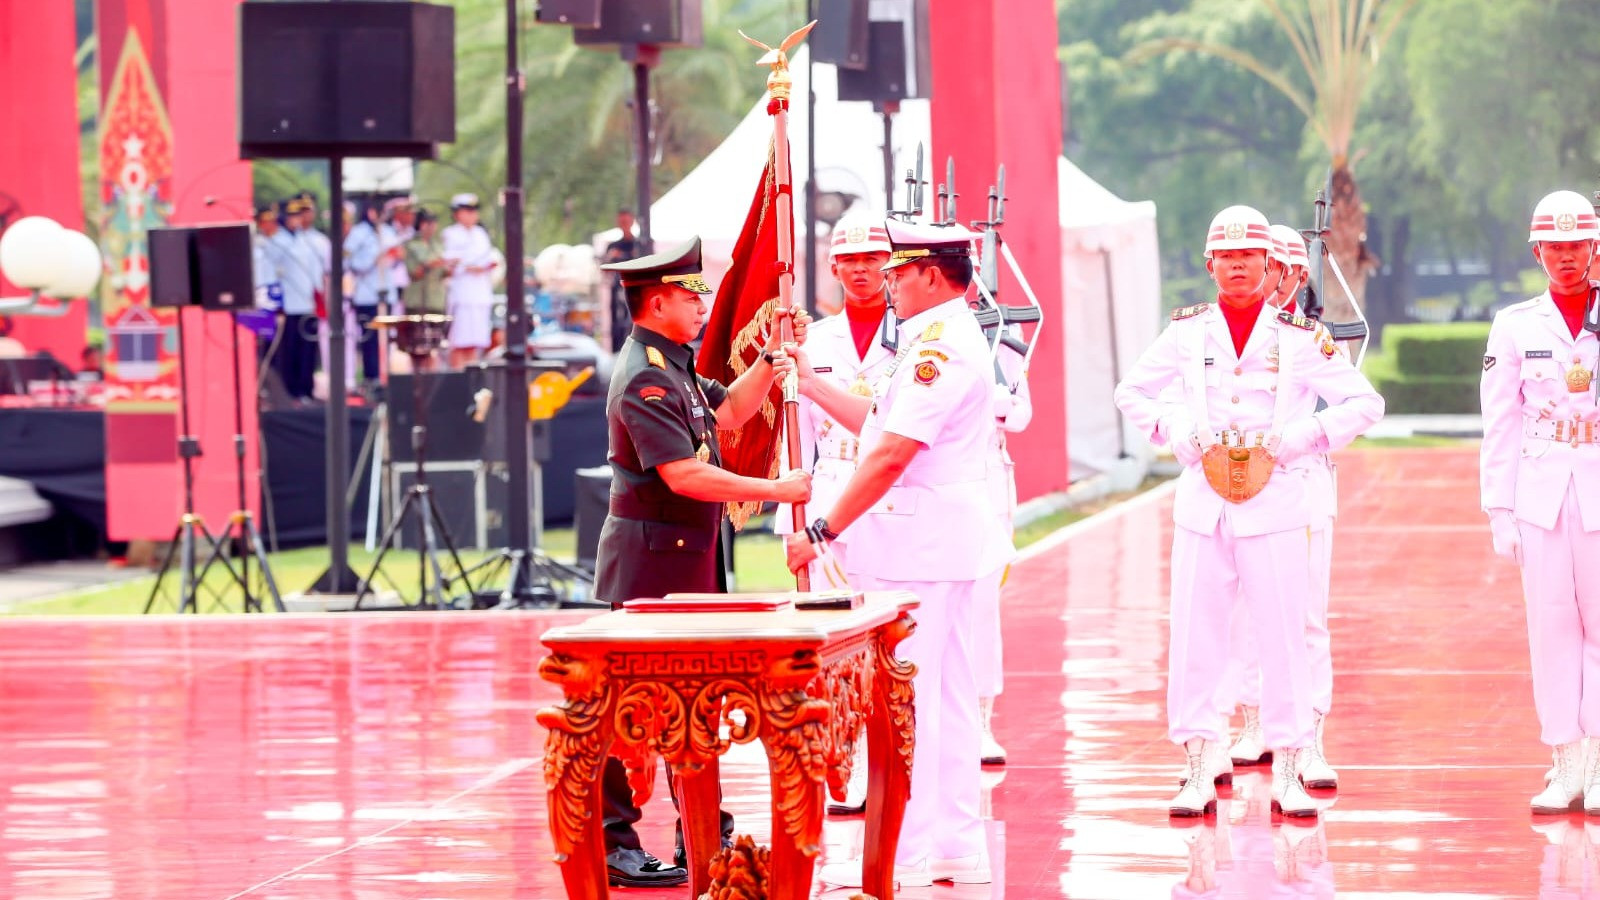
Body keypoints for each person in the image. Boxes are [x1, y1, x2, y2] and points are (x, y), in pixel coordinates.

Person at [1113, 204, 1382, 820]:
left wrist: (1296, 440)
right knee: (1194, 635)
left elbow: (1364, 404)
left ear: (1269, 266)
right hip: (1203, 504)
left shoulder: (1297, 337)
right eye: (1226, 257)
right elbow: (1134, 391)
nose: (1237, 267)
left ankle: (1288, 768)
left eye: (1248, 257)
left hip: (1277, 502)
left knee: (1284, 638)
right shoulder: (1186, 332)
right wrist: (1175, 429)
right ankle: (1197, 767)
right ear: (1210, 265)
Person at [786, 219, 1014, 887]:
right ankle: (949, 844)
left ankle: (903, 857)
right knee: (944, 697)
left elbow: (888, 455)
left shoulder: (936, 350)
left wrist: (822, 530)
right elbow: (877, 421)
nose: (886, 282)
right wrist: (808, 379)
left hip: (920, 547)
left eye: (895, 271)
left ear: (931, 276)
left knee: (904, 708)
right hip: (938, 543)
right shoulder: (932, 340)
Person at [592, 236, 812, 888]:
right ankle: (614, 840)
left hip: (686, 561)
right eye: (693, 295)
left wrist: (773, 359)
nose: (702, 306)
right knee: (635, 711)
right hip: (650, 567)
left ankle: (700, 829)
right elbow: (684, 475)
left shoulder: (674, 364)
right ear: (658, 300)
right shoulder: (644, 378)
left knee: (692, 702)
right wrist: (775, 492)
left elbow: (733, 411)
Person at [1480, 189, 1600, 814]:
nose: (1567, 256)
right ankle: (1565, 763)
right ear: (1537, 252)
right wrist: (1499, 510)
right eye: (1554, 246)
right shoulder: (1516, 324)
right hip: (1543, 492)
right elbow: (1499, 421)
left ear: (1594, 247)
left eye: (1577, 243)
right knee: (1551, 628)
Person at [1213, 223, 1341, 791]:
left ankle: (1309, 736)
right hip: (1239, 486)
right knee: (1243, 614)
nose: (1276, 281)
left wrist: (1303, 439)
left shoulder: (1308, 336)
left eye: (1286, 272)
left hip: (1301, 483)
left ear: (1296, 275)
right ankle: (1254, 720)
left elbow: (1350, 408)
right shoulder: (1230, 333)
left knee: (1305, 614)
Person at [977, 316, 1033, 768]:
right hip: (922, 483)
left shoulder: (1003, 344)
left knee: (980, 608)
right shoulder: (902, 332)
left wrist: (995, 399)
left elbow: (1020, 415)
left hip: (987, 482)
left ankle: (980, 720)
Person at [271, 198, 324, 402]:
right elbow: (273, 274)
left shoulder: (307, 240)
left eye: (298, 216)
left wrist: (318, 295)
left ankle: (306, 389)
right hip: (289, 305)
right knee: (290, 351)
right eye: (292, 216)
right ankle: (291, 391)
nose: (296, 220)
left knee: (308, 350)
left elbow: (316, 271)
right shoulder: (277, 242)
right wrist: (277, 304)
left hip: (307, 303)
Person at [441, 194, 499, 368]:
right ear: (457, 213)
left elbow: (489, 258)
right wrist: (469, 266)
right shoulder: (450, 234)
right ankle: (458, 378)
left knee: (474, 342)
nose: (472, 215)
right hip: (462, 294)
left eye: (474, 211)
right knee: (459, 342)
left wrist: (485, 266)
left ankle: (472, 379)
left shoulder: (481, 234)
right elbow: (449, 262)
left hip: (480, 293)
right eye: (467, 211)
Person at [603, 208, 640, 353]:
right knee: (617, 322)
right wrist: (612, 257)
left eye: (626, 221)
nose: (624, 224)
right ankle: (617, 352)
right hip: (617, 289)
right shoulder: (613, 246)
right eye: (621, 221)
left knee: (635, 321)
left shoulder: (640, 244)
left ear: (632, 221)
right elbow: (604, 268)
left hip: (636, 290)